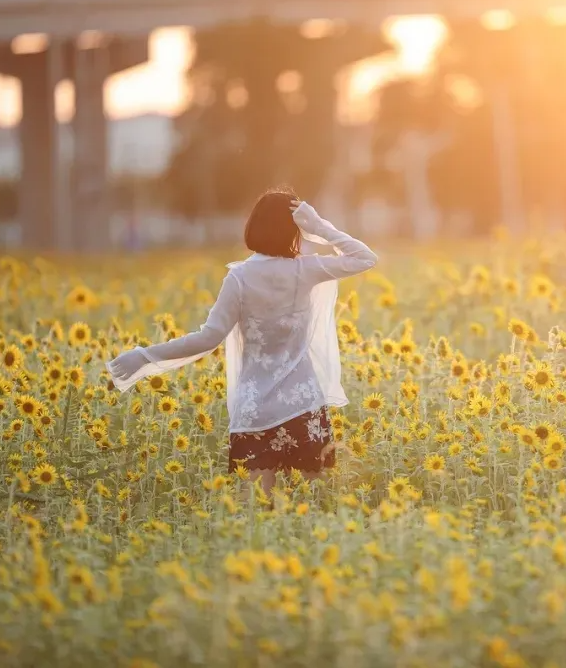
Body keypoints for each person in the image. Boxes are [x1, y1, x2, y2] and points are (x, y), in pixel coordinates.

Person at [107, 188, 377, 497]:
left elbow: (207, 338)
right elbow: (365, 258)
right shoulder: (307, 270)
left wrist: (144, 356)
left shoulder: (240, 277)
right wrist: (318, 226)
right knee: (309, 509)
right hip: (304, 405)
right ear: (295, 228)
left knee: (255, 512)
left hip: (255, 407)